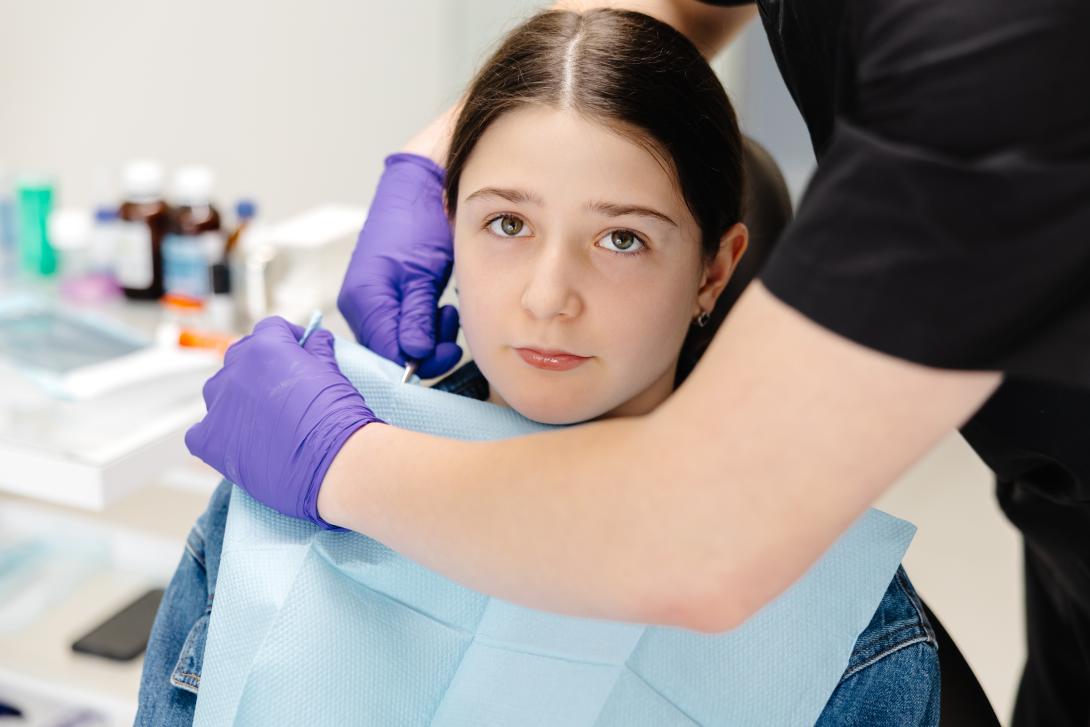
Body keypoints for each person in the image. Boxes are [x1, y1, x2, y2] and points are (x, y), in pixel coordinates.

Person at [185, 1, 1090, 725]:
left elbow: (697, 542)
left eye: (621, 237)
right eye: (503, 223)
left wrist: (339, 461)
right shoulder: (262, 523)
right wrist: (453, 142)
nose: (547, 297)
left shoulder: (848, 633)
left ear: (716, 267)